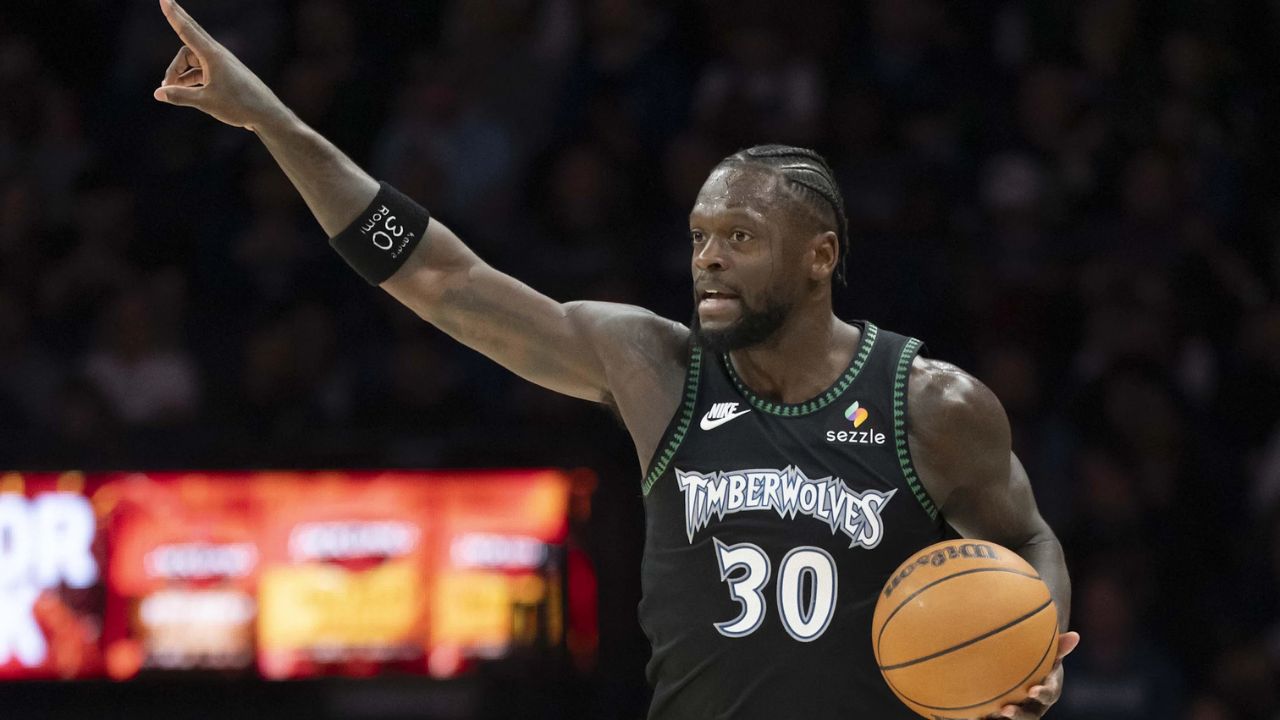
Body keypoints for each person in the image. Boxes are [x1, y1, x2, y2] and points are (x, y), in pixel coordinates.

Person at [151, 1, 1080, 717]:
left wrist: (1029, 653)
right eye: (699, 234)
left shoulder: (932, 403)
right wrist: (271, 119)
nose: (708, 256)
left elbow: (1029, 537)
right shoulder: (655, 368)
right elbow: (435, 276)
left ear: (820, 256)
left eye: (741, 237)